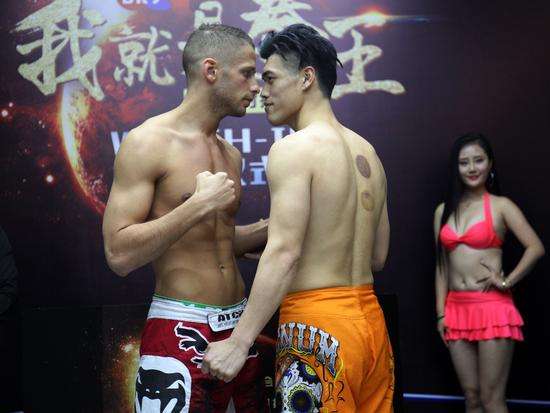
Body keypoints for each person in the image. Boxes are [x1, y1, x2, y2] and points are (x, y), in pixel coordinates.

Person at [202, 24, 394, 412]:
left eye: (271, 78)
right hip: (371, 327)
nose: (262, 91)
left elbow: (284, 253)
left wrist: (239, 342)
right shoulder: (368, 153)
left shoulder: (294, 149)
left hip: (318, 328)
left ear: (306, 77)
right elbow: (377, 257)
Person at [102, 24, 268, 412]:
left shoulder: (230, 154)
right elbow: (119, 254)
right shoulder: (148, 142)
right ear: (211, 70)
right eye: (247, 73)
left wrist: (270, 230)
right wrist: (196, 205)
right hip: (179, 325)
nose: (256, 86)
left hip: (240, 329)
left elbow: (213, 240)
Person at [434, 133, 545, 413]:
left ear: (490, 163)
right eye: (464, 162)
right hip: (456, 310)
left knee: (491, 399)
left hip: (492, 308)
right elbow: (441, 266)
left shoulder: (500, 206)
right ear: (456, 167)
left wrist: (507, 281)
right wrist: (441, 314)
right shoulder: (443, 211)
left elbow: (536, 247)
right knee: (471, 398)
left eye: (479, 160)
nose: (472, 168)